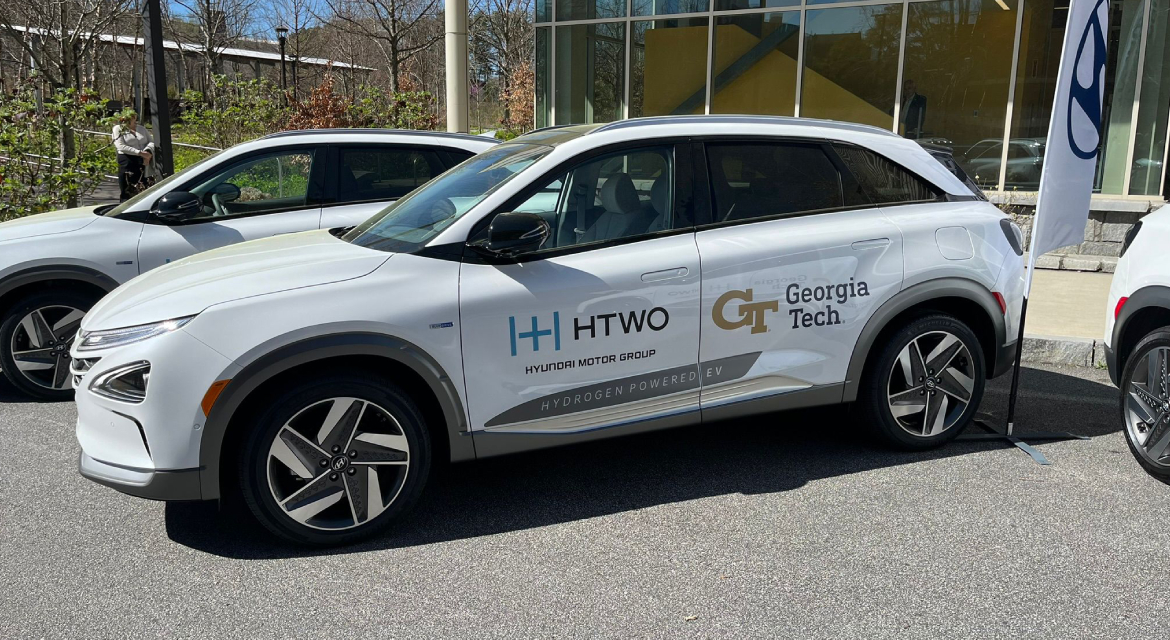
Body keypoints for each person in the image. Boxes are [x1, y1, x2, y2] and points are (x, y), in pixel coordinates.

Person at [112, 110, 155, 201]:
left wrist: (148, 153)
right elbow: (120, 146)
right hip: (127, 159)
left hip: (144, 158)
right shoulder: (118, 129)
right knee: (128, 187)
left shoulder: (141, 129)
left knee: (143, 185)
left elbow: (151, 141)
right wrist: (139, 152)